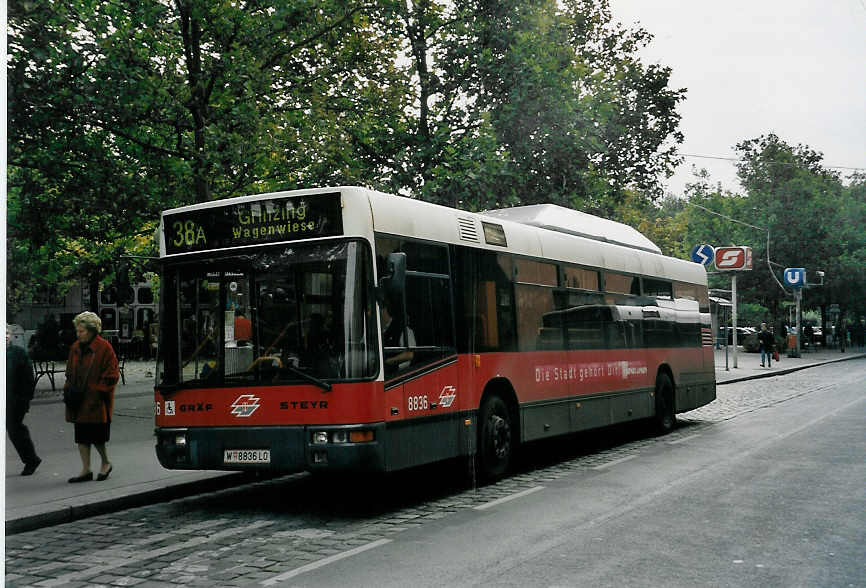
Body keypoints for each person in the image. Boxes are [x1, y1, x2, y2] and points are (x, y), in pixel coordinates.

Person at [64, 312, 120, 483]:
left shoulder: (104, 348)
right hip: (78, 399)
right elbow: (69, 371)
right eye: (77, 331)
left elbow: (112, 374)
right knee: (81, 436)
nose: (78, 334)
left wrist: (98, 391)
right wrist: (68, 388)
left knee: (97, 437)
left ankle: (105, 462)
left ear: (92, 330)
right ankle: (86, 469)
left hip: (96, 401)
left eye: (81, 331)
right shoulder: (75, 347)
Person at [6, 326, 41, 475]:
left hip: (14, 401)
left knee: (15, 430)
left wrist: (24, 400)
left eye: (7, 333)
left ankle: (31, 460)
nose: (5, 336)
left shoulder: (18, 353)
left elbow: (28, 379)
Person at [381, 305, 415, 374]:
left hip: (399, 374)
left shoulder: (404, 329)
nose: (369, 314)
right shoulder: (379, 331)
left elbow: (409, 354)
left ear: (384, 310)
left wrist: (388, 361)